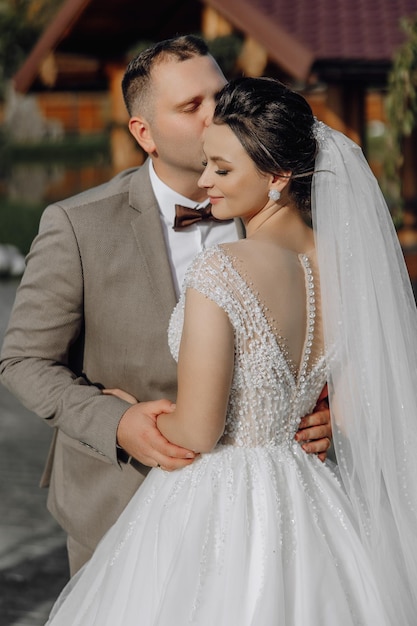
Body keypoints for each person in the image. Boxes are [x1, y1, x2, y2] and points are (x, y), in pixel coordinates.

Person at [43, 77, 417, 625]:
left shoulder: (221, 269)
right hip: (311, 495)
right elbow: (364, 404)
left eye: (222, 169)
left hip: (221, 502)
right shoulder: (347, 265)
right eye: (206, 165)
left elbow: (199, 431)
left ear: (278, 176)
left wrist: (129, 415)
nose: (205, 182)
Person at [0, 36, 331, 576]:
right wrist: (118, 422)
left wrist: (333, 411)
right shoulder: (78, 225)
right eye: (190, 106)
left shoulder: (286, 212)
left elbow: (350, 337)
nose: (216, 116)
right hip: (118, 504)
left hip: (264, 522)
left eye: (221, 97)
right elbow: (23, 361)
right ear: (143, 133)